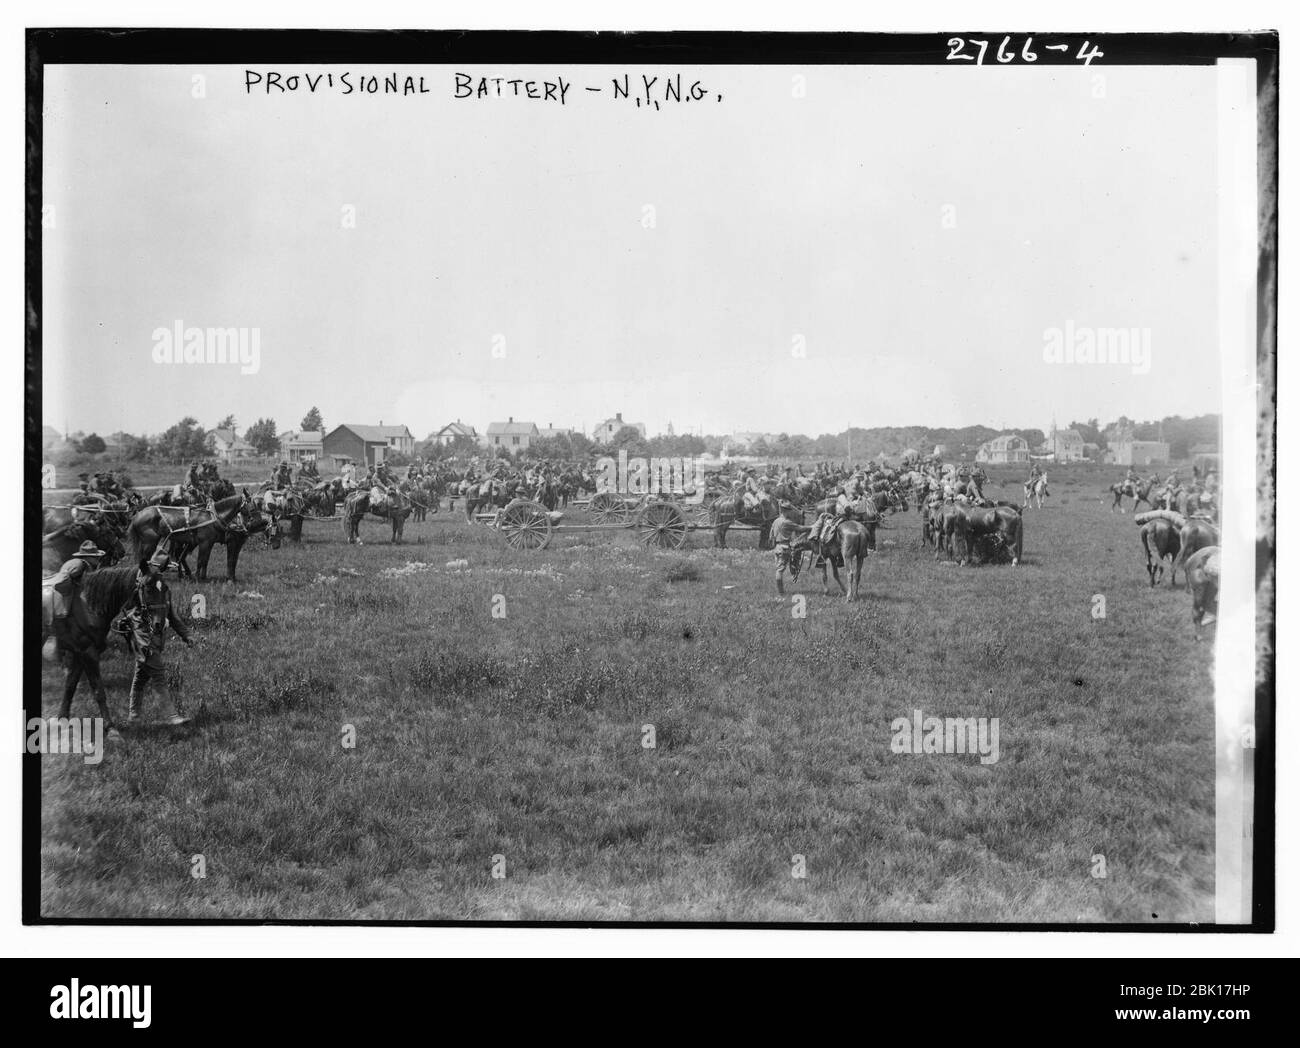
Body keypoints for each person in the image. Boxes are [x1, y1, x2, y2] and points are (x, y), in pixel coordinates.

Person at [121, 550, 194, 725]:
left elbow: (172, 616)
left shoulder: (163, 588)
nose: (161, 572)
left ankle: (134, 716)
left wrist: (187, 635)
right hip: (142, 636)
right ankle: (171, 716)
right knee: (158, 674)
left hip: (156, 637)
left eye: (163, 569)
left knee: (140, 678)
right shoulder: (142, 584)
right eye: (160, 568)